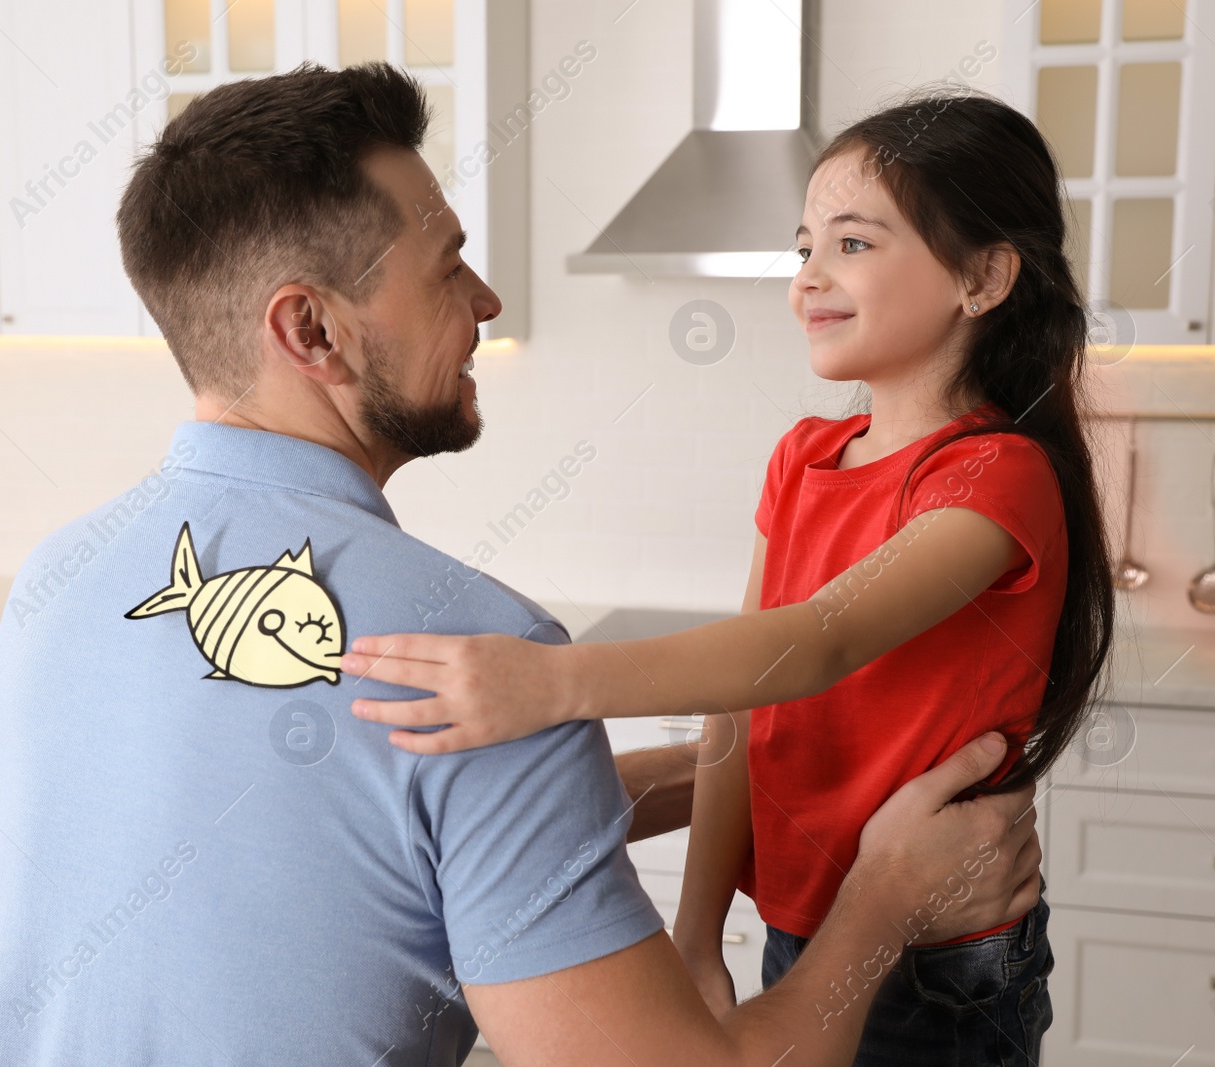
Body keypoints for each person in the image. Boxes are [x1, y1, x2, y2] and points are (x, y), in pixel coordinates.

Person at [0, 66, 1043, 1067]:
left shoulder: (53, 582)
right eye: (448, 268)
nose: (486, 302)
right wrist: (886, 893)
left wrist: (666, 790)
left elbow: (341, 844)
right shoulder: (488, 659)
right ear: (310, 328)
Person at [341, 88, 1112, 1065]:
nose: (808, 278)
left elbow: (814, 641)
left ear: (984, 276)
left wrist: (553, 680)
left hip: (941, 954)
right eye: (802, 248)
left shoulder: (997, 476)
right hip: (805, 925)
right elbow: (740, 717)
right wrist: (697, 933)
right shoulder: (803, 457)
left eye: (854, 244)